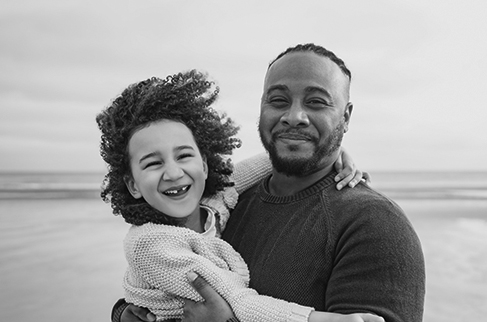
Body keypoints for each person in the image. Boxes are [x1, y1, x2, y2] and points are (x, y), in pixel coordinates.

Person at [98, 70, 382, 322]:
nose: (173, 173)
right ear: (132, 185)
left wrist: (333, 153)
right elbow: (236, 301)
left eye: (184, 155)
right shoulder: (150, 245)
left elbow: (276, 158)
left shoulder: (213, 202)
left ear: (205, 165)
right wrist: (321, 320)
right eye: (152, 163)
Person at [180, 43, 426, 322]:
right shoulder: (224, 204)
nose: (294, 116)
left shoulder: (373, 223)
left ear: (345, 117)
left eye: (316, 102)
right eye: (279, 100)